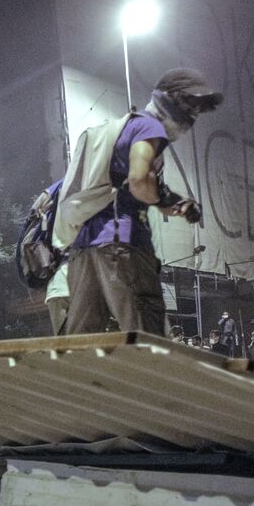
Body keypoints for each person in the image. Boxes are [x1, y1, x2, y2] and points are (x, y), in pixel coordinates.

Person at [63, 69, 221, 334]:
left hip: (85, 247)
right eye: (190, 103)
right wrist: (160, 196)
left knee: (83, 340)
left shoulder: (126, 126)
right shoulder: (150, 127)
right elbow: (138, 181)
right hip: (122, 243)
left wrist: (175, 202)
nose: (194, 113)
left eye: (199, 108)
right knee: (147, 332)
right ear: (168, 98)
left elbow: (135, 184)